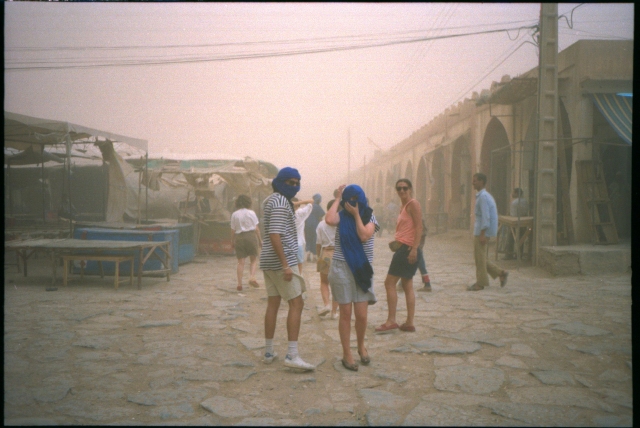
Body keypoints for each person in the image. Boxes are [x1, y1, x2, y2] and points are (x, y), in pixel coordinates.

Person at [259, 167, 315, 371]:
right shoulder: (281, 202)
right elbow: (275, 234)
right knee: (297, 303)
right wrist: (285, 265)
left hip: (268, 260)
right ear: (280, 182)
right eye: (290, 183)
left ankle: (268, 351)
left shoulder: (270, 200)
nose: (294, 186)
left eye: (296, 183)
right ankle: (292, 355)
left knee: (273, 304)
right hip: (281, 260)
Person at [326, 184, 379, 372]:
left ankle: (361, 346)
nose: (354, 202)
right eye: (350, 198)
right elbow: (329, 219)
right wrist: (338, 198)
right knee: (346, 313)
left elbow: (364, 235)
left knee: (362, 315)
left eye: (357, 198)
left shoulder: (370, 216)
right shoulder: (341, 216)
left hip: (362, 268)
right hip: (341, 268)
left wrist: (356, 215)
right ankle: (346, 353)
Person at [376, 179, 421, 333]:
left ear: (410, 189)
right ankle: (409, 322)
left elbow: (419, 227)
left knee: (389, 283)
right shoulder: (404, 206)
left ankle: (391, 321)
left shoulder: (413, 204)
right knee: (407, 284)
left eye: (405, 188)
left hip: (406, 250)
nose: (402, 191)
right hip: (404, 247)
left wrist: (414, 249)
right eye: (399, 188)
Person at [468, 173, 508, 291]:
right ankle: (501, 273)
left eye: (475, 181)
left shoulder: (483, 197)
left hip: (481, 232)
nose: (473, 183)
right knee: (481, 257)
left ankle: (481, 283)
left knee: (480, 259)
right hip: (480, 231)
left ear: (481, 182)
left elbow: (486, 217)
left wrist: (483, 234)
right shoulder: (483, 196)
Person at [230, 194, 262, 291]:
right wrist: (260, 240)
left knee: (240, 262)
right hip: (251, 236)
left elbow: (233, 230)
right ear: (249, 202)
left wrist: (232, 241)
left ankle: (239, 284)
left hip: (239, 237)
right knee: (253, 260)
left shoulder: (234, 214)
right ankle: (252, 277)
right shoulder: (251, 213)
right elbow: (256, 229)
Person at [315, 199, 339, 319]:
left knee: (324, 282)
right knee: (337, 284)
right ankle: (334, 312)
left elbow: (318, 243)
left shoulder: (321, 224)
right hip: (339, 254)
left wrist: (318, 256)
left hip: (325, 253)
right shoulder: (342, 223)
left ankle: (326, 304)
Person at [504, 188, 529, 260]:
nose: (512, 194)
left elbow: (513, 214)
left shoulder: (514, 203)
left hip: (514, 223)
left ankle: (509, 255)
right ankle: (519, 255)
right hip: (524, 222)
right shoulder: (525, 201)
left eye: (513, 192)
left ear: (517, 194)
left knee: (511, 237)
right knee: (521, 238)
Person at [291, 197, 314, 275]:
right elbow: (311, 201)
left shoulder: (285, 213)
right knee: (299, 264)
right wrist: (299, 202)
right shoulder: (300, 213)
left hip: (287, 243)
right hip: (298, 243)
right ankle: (299, 277)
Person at [304, 194, 325, 262]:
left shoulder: (309, 206)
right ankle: (314, 256)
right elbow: (320, 217)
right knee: (314, 239)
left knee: (308, 239)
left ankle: (308, 254)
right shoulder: (318, 207)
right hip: (315, 225)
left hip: (307, 225)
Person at [416, 217, 432, 291]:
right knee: (421, 266)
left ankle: (427, 284)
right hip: (417, 248)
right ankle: (427, 283)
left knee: (421, 266)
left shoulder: (418, 223)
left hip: (416, 248)